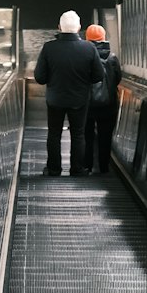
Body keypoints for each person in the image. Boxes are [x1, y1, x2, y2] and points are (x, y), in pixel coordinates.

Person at [33, 10, 105, 176]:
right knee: (78, 134)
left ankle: (53, 169)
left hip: (55, 99)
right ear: (79, 27)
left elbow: (40, 77)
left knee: (54, 134)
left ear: (59, 27)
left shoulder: (49, 48)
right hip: (79, 99)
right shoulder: (89, 48)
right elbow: (98, 76)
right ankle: (77, 169)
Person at [82, 23, 122, 174]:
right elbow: (117, 78)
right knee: (105, 137)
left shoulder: (84, 56)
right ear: (104, 38)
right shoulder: (112, 58)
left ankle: (87, 166)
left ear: (87, 39)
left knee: (87, 136)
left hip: (87, 104)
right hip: (108, 105)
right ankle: (104, 168)